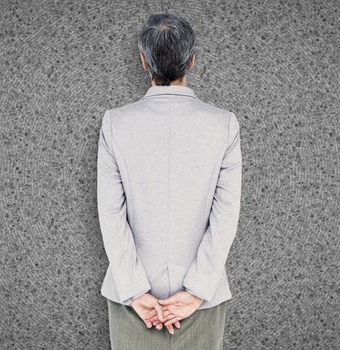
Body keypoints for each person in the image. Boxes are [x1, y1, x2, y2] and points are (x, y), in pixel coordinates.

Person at [97, 12, 242, 350]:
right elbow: (226, 216)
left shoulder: (115, 124)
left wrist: (135, 290)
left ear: (143, 61)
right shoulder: (223, 125)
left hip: (132, 303)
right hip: (202, 303)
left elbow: (110, 214)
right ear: (192, 60)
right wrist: (196, 291)